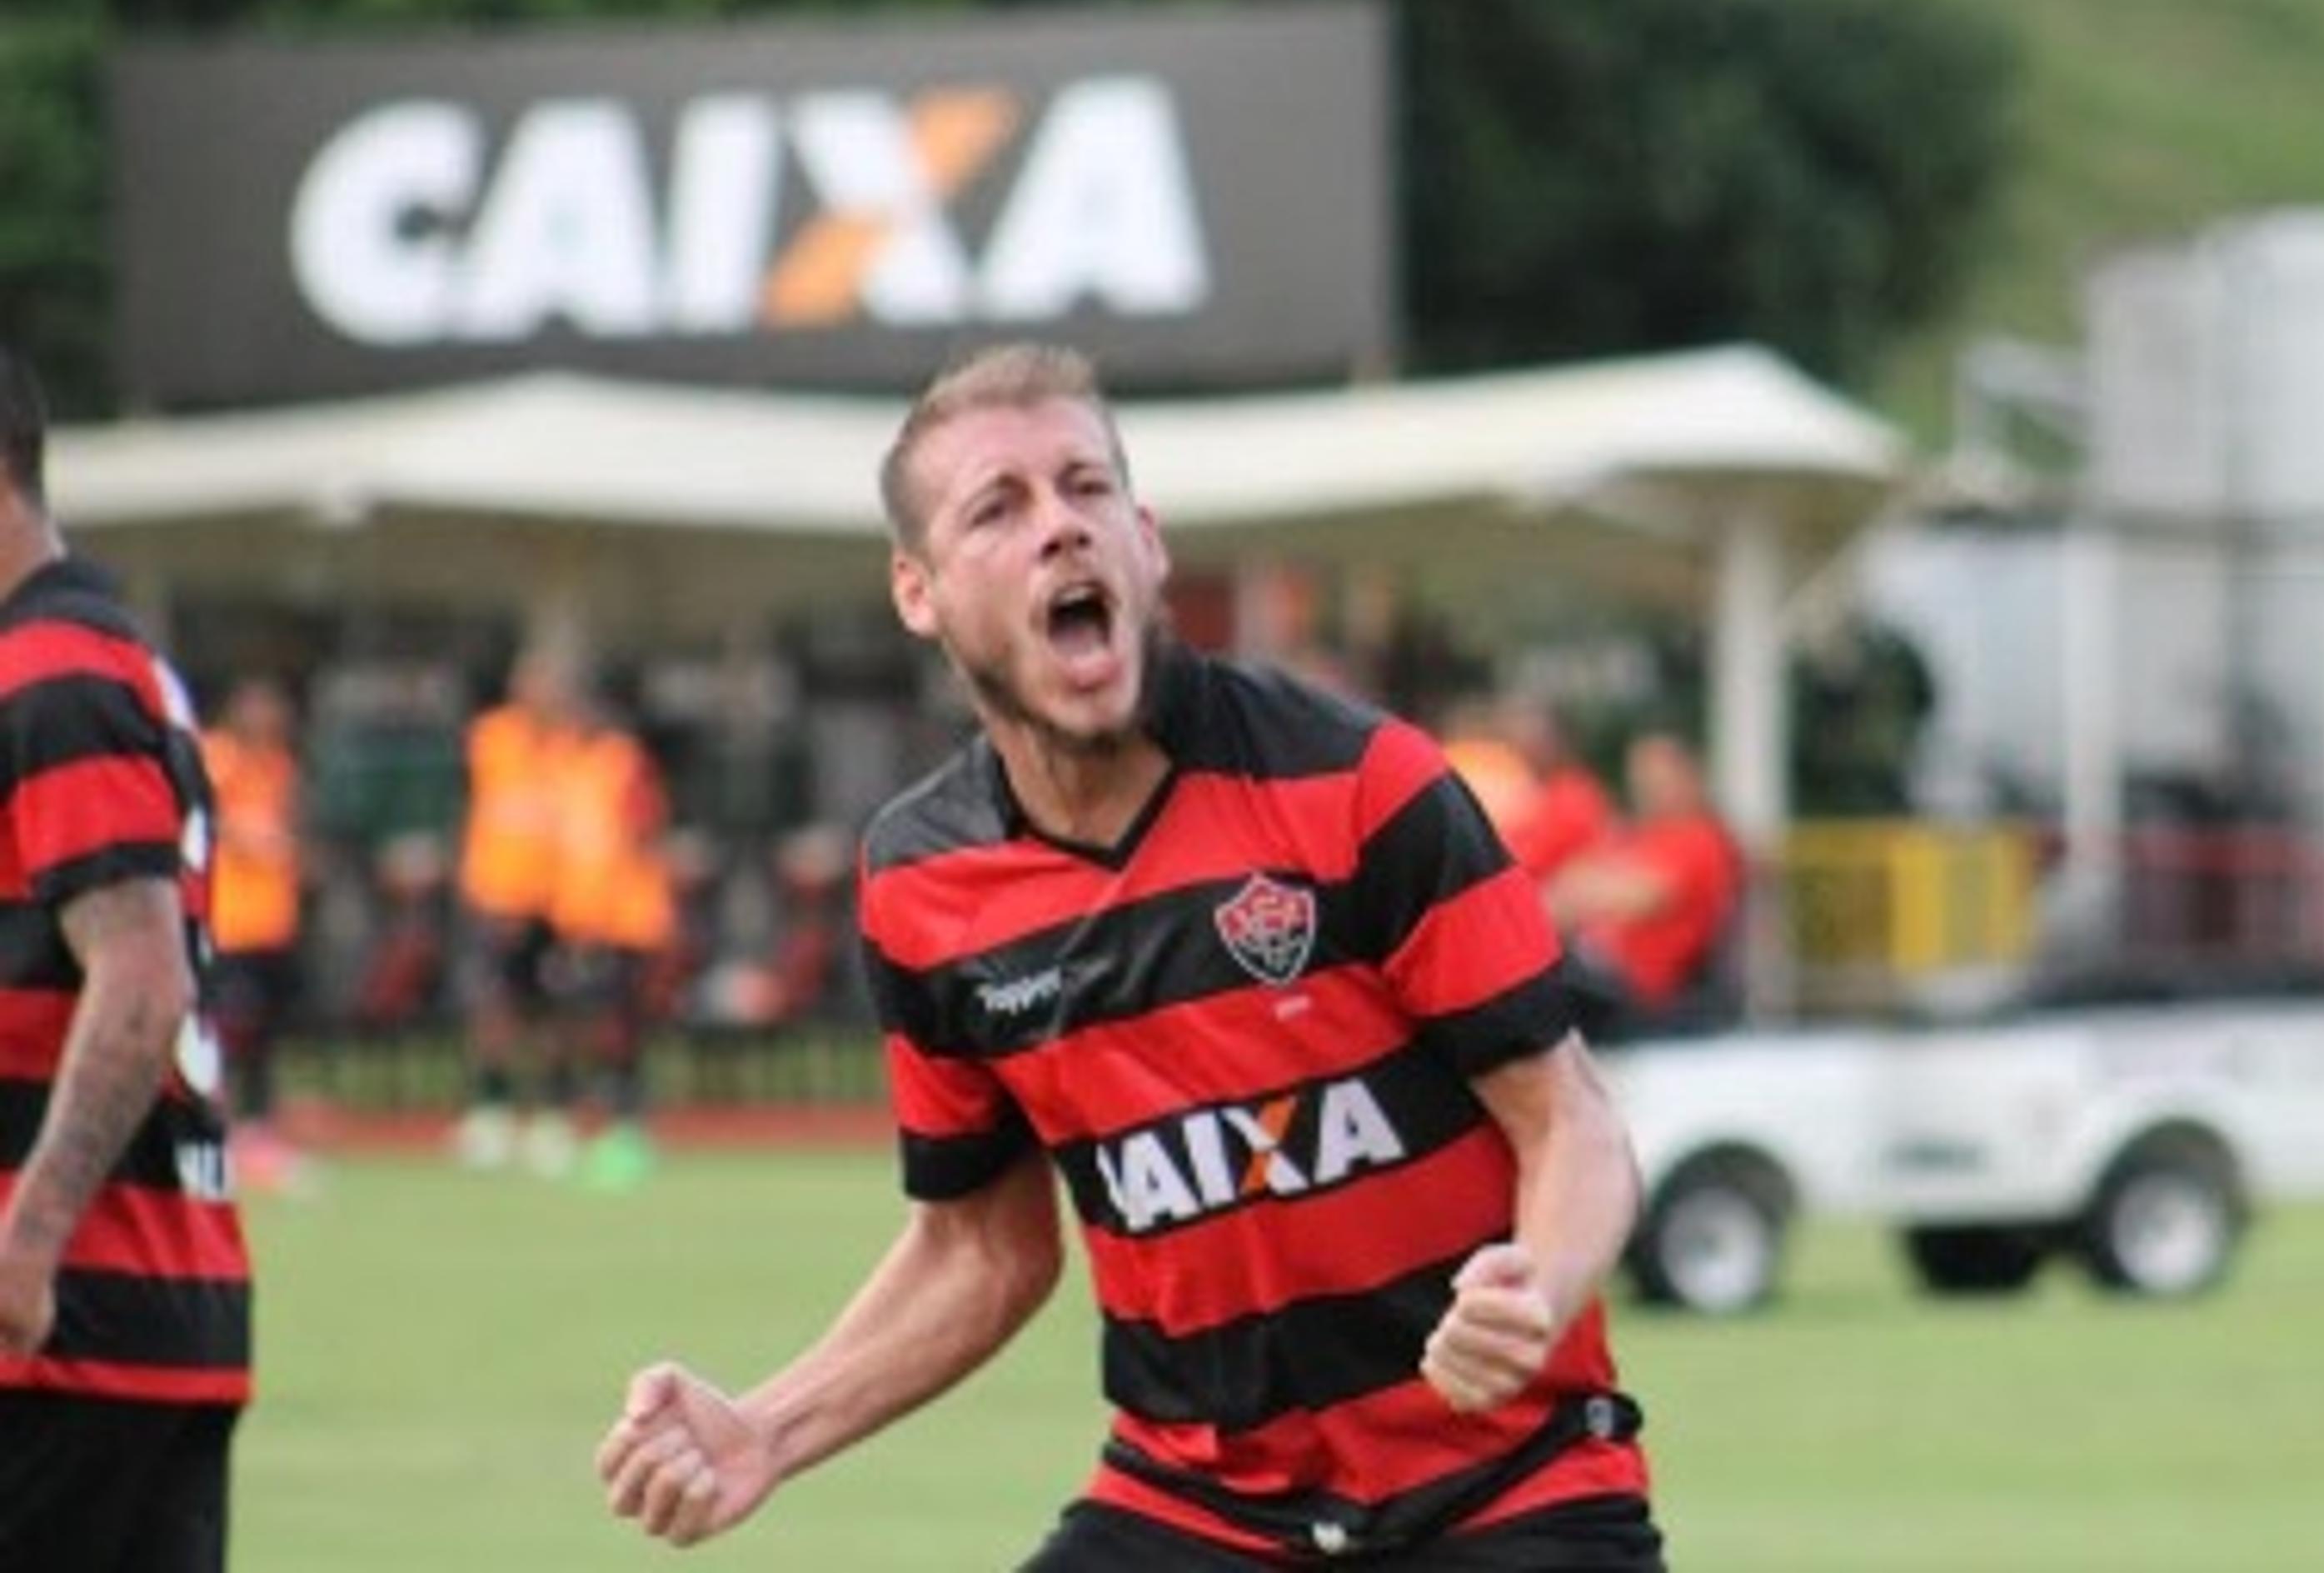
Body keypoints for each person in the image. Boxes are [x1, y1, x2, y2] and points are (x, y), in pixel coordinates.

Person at [596, 344, 1663, 1569]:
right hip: (1199, 1506)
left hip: (1504, 1487)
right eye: (999, 507)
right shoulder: (921, 885)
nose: (1062, 528)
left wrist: (1540, 1283)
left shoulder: (1362, 784)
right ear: (920, 590)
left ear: (1147, 542)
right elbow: (984, 1246)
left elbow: (1569, 1119)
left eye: (1087, 489)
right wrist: (768, 1430)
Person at [0, 344, 252, 1569]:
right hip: (120, 1321)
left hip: (70, 1325)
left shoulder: (50, 670)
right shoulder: (100, 655)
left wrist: (28, 1236)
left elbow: (139, 975)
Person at [451, 644, 585, 1171]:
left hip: (559, 902)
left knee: (554, 1011)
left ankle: (552, 1112)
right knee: (496, 1006)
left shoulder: (573, 745)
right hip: (501, 895)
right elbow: (484, 813)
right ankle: (491, 1109)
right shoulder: (492, 738)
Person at [546, 688, 682, 1193]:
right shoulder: (565, 764)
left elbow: (642, 829)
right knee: (578, 1024)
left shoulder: (621, 761)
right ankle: (581, 1121)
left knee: (621, 1027)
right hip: (580, 919)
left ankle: (627, 1130)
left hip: (627, 919)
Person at [1541, 732, 1743, 1041]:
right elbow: (1565, 889)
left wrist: (1587, 893)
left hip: (1643, 998)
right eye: (1642, 778)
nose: (1647, 788)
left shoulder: (1699, 839)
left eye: (1658, 778)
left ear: (1690, 777)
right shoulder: (1637, 837)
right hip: (1603, 980)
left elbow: (1635, 898)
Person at [202, 673, 315, 1195]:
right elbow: (204, 819)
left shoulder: (280, 767)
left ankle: (259, 1132)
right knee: (228, 1028)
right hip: (230, 920)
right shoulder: (217, 757)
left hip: (272, 920)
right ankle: (218, 1132)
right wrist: (248, 836)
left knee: (265, 1033)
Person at [1494, 698, 1615, 888]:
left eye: (1534, 739)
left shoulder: (1574, 794)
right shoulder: (1537, 791)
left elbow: (1525, 858)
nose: (1523, 748)